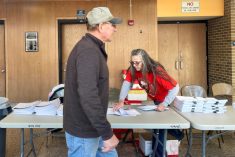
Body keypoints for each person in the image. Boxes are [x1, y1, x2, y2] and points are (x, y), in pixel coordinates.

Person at [63, 7, 122, 157]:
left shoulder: (91, 48)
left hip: (93, 126)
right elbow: (88, 95)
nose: (115, 29)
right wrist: (107, 134)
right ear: (101, 26)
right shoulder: (88, 51)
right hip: (84, 130)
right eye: (112, 25)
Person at [113, 49, 184, 157]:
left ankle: (161, 151)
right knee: (158, 128)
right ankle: (176, 135)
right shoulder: (133, 69)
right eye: (132, 62)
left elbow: (175, 87)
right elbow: (126, 83)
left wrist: (164, 104)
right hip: (156, 100)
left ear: (145, 61)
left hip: (165, 100)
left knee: (159, 129)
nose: (134, 65)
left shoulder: (157, 70)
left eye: (137, 62)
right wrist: (121, 101)